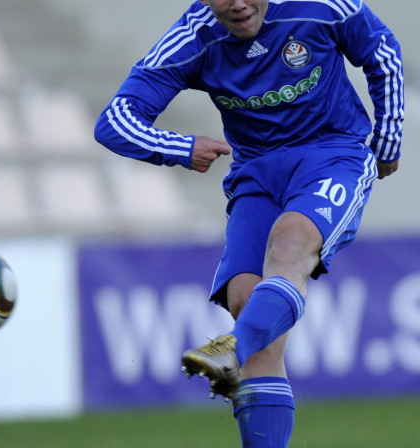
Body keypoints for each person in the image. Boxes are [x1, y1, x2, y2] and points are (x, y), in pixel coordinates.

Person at [93, 0, 403, 446]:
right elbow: (114, 121)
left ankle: (232, 348)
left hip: (331, 155)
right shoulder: (195, 36)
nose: (237, 4)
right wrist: (180, 148)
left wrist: (387, 139)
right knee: (246, 301)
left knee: (289, 246)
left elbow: (382, 51)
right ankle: (242, 348)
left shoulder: (319, 7)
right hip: (256, 175)